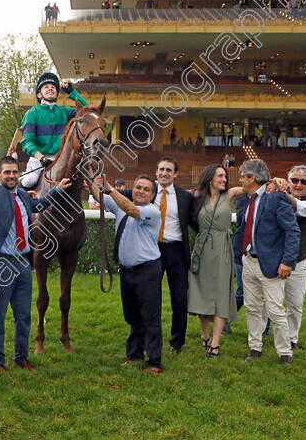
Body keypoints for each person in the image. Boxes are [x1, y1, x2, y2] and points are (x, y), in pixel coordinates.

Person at [0, 137, 71, 371]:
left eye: (15, 172)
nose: (11, 175)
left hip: (24, 264)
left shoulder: (25, 195)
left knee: (24, 315)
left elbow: (39, 206)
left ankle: (21, 358)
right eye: (6, 172)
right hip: (1, 264)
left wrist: (57, 190)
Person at [89, 174, 164, 373]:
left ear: (153, 194)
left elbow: (130, 209)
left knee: (151, 317)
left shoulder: (151, 211)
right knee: (132, 316)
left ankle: (154, 362)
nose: (140, 191)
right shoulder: (122, 205)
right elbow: (100, 197)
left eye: (146, 189)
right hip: (128, 272)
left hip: (147, 270)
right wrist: (91, 179)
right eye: (138, 187)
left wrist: (110, 188)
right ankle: (134, 355)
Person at [233, 159, 300, 365]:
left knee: (275, 309)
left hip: (270, 263)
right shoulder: (248, 199)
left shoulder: (277, 198)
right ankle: (255, 348)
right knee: (252, 307)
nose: (240, 180)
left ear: (252, 178)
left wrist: (287, 262)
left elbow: (292, 231)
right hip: (248, 261)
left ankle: (284, 352)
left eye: (243, 176)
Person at [188, 164, 245, 357]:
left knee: (221, 292)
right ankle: (205, 336)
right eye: (220, 176)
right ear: (210, 177)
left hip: (222, 248)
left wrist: (274, 182)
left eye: (225, 176)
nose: (224, 179)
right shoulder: (197, 196)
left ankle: (215, 343)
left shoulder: (229, 194)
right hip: (202, 248)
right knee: (201, 292)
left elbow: (251, 186)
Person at [266, 166, 306, 350]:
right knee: (265, 302)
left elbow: (301, 208)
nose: (299, 184)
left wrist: (282, 191)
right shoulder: (275, 192)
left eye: (304, 181)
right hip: (274, 258)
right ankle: (258, 338)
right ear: (289, 180)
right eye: (294, 180)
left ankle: (291, 339)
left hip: (299, 261)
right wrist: (273, 184)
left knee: (295, 304)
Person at [152, 157, 195, 355]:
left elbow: (197, 223)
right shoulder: (147, 192)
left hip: (177, 252)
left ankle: (177, 342)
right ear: (156, 172)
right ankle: (151, 338)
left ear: (175, 174)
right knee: (151, 298)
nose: (164, 173)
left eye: (168, 170)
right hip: (152, 251)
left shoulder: (185, 197)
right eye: (161, 169)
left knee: (179, 299)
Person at [19, 72, 88, 189]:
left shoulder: (65, 112)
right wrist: (41, 157)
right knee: (30, 181)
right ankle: (16, 195)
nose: (50, 89)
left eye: (53, 87)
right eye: (46, 87)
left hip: (61, 160)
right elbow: (27, 142)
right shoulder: (32, 113)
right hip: (39, 159)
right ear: (39, 95)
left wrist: (72, 92)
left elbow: (86, 112)